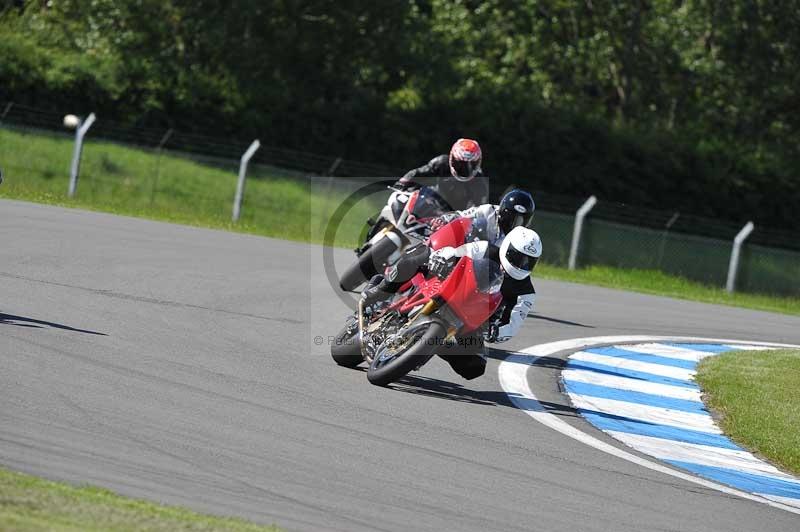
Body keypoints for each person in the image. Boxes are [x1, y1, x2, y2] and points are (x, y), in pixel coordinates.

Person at [362, 225, 542, 380]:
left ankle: (432, 344)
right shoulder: (486, 249)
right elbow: (459, 252)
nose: (521, 265)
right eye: (517, 257)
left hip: (474, 320)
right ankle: (380, 290)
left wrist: (496, 330)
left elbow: (514, 322)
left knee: (475, 367)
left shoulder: (526, 292)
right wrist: (444, 256)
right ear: (507, 247)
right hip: (451, 288)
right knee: (421, 255)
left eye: (528, 262)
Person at [396, 138, 490, 210]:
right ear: (451, 157)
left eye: (470, 165)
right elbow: (418, 173)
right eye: (459, 164)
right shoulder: (442, 162)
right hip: (432, 201)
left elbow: (479, 210)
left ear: (478, 163)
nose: (464, 169)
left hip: (453, 216)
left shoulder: (480, 182)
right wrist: (402, 183)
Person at [429, 188, 535, 246]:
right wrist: (443, 220)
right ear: (502, 211)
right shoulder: (488, 211)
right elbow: (461, 216)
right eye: (510, 217)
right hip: (469, 254)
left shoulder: (523, 238)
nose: (513, 223)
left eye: (519, 220)